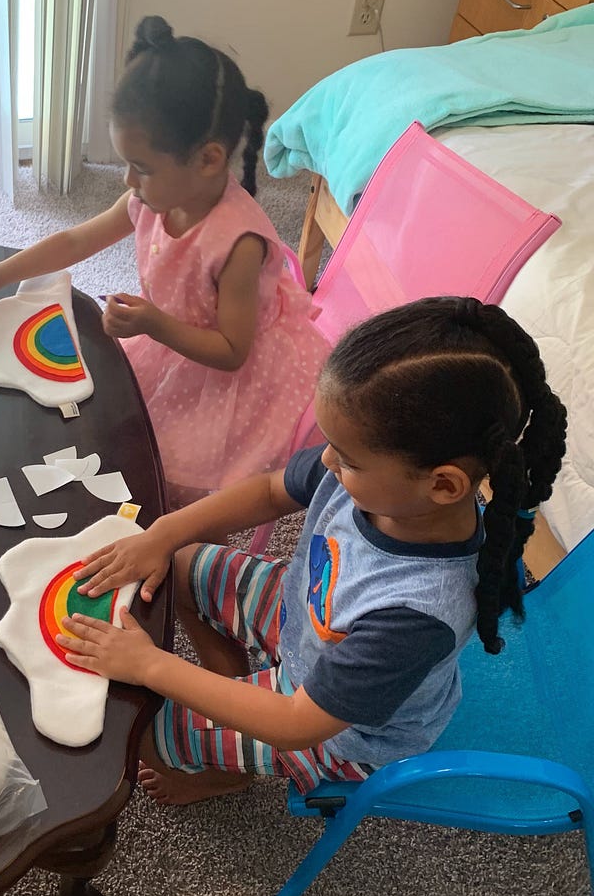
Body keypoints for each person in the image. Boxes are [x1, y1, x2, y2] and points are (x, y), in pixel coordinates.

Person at [55, 297, 568, 805]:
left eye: (346, 460)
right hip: (305, 616)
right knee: (184, 561)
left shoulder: (417, 616)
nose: (326, 460)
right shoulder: (384, 475)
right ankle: (232, 688)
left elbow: (298, 723)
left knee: (139, 731)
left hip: (339, 732)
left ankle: (222, 774)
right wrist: (162, 534)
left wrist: (151, 667)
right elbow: (269, 491)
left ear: (443, 486)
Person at [0, 15, 330, 507]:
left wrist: (153, 323)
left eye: (142, 167)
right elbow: (74, 240)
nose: (128, 180)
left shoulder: (238, 243)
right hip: (173, 336)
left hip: (229, 367)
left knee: (164, 470)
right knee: (114, 419)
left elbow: (233, 351)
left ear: (209, 160)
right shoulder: (155, 197)